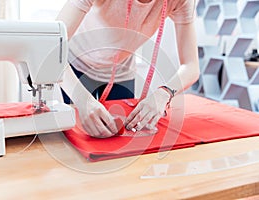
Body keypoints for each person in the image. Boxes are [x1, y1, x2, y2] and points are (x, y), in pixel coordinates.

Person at [57, 0, 200, 138]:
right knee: (69, 139)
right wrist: (82, 99)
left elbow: (191, 66)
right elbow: (51, 48)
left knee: (123, 140)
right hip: (73, 66)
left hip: (121, 72)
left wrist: (164, 93)